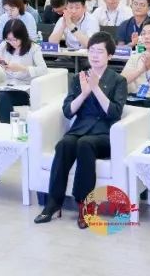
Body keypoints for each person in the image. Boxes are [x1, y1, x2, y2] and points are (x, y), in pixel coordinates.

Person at [34, 32, 127, 227]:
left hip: (104, 134)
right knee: (64, 144)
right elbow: (68, 111)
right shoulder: (79, 78)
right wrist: (84, 93)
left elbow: (114, 113)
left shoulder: (118, 80)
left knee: (85, 144)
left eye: (100, 51)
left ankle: (85, 205)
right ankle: (53, 203)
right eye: (91, 51)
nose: (94, 55)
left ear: (110, 55)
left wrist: (96, 89)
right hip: (80, 129)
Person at [0, 18, 47, 123]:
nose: (12, 43)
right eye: (9, 39)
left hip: (24, 90)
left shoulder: (34, 48)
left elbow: (43, 70)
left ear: (22, 36)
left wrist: (22, 68)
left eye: (15, 39)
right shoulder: (4, 46)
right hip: (7, 86)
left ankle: (7, 128)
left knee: (3, 97)